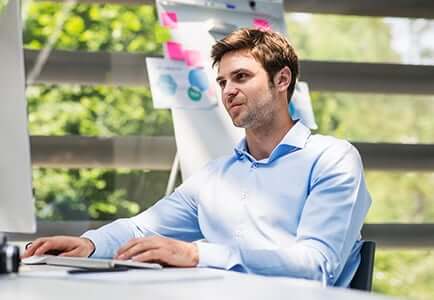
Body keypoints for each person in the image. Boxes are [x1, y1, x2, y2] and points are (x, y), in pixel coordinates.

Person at [23, 28, 371, 287]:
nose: (228, 91)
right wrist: (89, 243)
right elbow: (142, 227)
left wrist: (197, 254)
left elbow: (316, 264)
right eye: (222, 82)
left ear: (282, 80)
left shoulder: (332, 159)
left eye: (241, 77)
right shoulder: (216, 176)